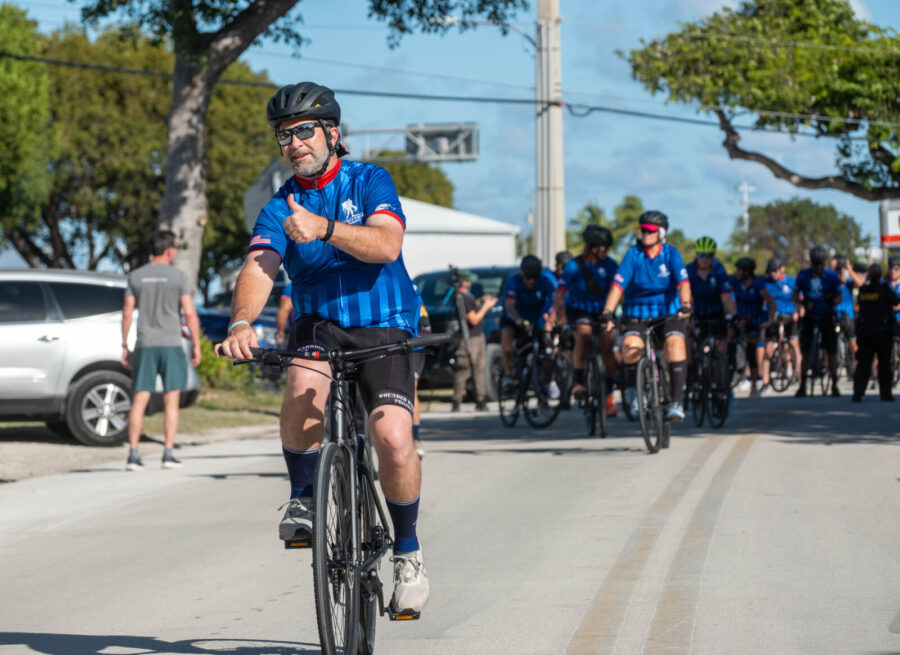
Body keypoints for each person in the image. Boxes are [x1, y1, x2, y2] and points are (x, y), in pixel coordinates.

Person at [215, 82, 429, 615]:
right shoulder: (279, 206)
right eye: (283, 135)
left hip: (384, 323)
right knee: (302, 381)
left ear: (332, 133)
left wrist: (325, 228)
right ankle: (305, 497)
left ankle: (407, 552)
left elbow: (387, 244)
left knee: (392, 438)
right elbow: (259, 268)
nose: (294, 143)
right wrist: (241, 323)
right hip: (320, 325)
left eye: (304, 131)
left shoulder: (370, 180)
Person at [121, 229, 202, 471]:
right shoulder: (179, 277)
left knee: (139, 398)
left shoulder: (135, 276)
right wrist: (196, 344)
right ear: (168, 251)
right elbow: (189, 313)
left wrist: (125, 346)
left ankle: (133, 454)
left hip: (145, 343)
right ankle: (167, 453)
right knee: (171, 399)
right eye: (175, 247)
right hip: (171, 344)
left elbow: (127, 314)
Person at [601, 210, 692, 423]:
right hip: (637, 314)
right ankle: (636, 390)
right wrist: (608, 311)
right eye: (643, 230)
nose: (646, 234)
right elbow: (618, 285)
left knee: (675, 343)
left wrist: (686, 305)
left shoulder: (671, 254)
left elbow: (683, 284)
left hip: (668, 313)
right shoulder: (633, 255)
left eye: (650, 231)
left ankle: (675, 402)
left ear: (661, 233)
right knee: (630, 347)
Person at [554, 225, 619, 416]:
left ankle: (609, 395)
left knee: (607, 343)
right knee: (583, 335)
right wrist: (560, 316)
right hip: (579, 310)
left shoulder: (610, 265)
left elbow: (618, 291)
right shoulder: (573, 266)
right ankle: (579, 381)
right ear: (591, 247)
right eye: (603, 247)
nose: (606, 251)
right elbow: (560, 294)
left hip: (603, 311)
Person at [685, 236, 736, 391]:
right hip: (697, 313)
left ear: (713, 256)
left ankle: (722, 387)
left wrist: (731, 315)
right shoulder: (689, 271)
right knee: (688, 334)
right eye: (701, 255)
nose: (704, 259)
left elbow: (726, 297)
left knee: (720, 349)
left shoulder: (719, 270)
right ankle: (690, 371)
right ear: (696, 255)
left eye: (708, 255)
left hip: (716, 313)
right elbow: (686, 296)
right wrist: (688, 316)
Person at [794, 245, 842, 397]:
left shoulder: (832, 276)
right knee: (805, 351)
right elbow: (795, 295)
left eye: (820, 264)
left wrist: (831, 299)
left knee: (831, 351)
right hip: (810, 316)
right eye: (815, 264)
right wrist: (803, 303)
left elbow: (839, 297)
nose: (818, 267)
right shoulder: (803, 275)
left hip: (827, 315)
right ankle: (802, 385)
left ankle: (834, 383)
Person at [500, 255, 558, 383]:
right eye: (528, 278)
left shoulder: (546, 281)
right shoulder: (513, 281)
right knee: (507, 340)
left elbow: (556, 303)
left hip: (536, 320)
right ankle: (508, 375)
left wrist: (551, 319)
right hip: (515, 319)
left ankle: (548, 383)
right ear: (522, 273)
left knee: (547, 353)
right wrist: (518, 320)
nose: (532, 281)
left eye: (535, 278)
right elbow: (509, 306)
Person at [451, 270, 498, 412]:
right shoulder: (461, 297)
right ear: (463, 282)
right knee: (464, 369)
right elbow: (474, 319)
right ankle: (457, 400)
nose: (470, 282)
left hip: (477, 336)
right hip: (469, 338)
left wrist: (480, 301)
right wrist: (486, 307)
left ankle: (480, 400)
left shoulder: (466, 296)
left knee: (479, 368)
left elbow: (471, 307)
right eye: (467, 280)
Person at [852, 263, 900, 402]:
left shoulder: (864, 290)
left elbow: (859, 305)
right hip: (882, 331)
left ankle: (858, 392)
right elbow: (896, 301)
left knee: (863, 363)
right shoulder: (884, 289)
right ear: (880, 276)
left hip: (865, 330)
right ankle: (885, 393)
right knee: (884, 363)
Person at [732, 257, 775, 396]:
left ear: (747, 272)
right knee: (728, 343)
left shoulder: (758, 285)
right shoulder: (735, 284)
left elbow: (772, 303)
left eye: (739, 270)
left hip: (754, 322)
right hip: (739, 320)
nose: (737, 272)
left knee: (752, 353)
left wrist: (769, 321)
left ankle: (754, 384)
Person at [763, 257, 801, 384]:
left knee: (793, 345)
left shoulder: (791, 282)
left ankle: (799, 375)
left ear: (782, 269)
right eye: (771, 272)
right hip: (774, 317)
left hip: (789, 317)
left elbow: (798, 299)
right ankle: (765, 381)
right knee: (768, 349)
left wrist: (796, 312)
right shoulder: (767, 283)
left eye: (775, 271)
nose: (773, 274)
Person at [411, 292, 431, 458]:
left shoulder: (413, 289)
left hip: (414, 347)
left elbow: (425, 327)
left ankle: (416, 438)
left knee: (411, 388)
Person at [830, 254, 858, 363]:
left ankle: (856, 365)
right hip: (834, 316)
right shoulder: (832, 282)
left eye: (842, 269)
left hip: (847, 317)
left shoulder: (848, 282)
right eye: (838, 269)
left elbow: (859, 283)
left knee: (853, 343)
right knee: (830, 343)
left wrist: (849, 268)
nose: (840, 271)